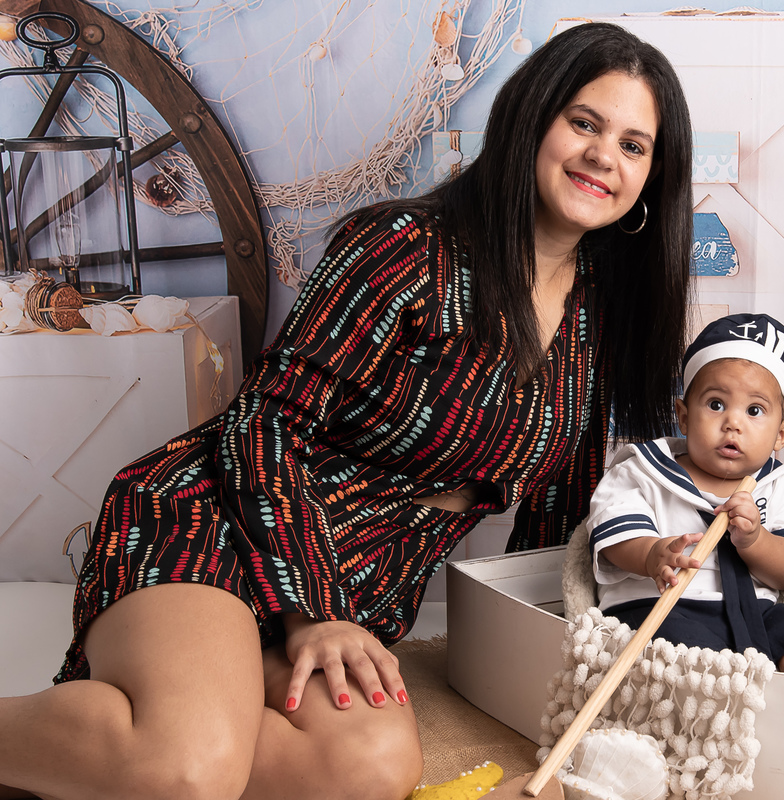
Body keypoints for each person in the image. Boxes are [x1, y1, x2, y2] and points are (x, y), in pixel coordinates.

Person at [0, 22, 693, 800]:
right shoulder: (407, 246)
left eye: (634, 145)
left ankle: (133, 741)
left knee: (371, 768)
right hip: (220, 525)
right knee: (187, 771)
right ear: (533, 119)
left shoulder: (602, 314)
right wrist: (312, 612)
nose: (604, 155)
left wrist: (565, 662)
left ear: (651, 178)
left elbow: (559, 511)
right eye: (585, 123)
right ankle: (145, 743)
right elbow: (265, 424)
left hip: (364, 581)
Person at [587, 313, 784, 678]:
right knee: (684, 652)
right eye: (716, 404)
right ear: (684, 416)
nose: (733, 422)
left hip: (752, 613)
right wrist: (651, 554)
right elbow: (613, 539)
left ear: (782, 434)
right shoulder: (642, 470)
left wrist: (756, 540)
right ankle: (716, 705)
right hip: (660, 608)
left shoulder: (774, 483)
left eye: (754, 411)